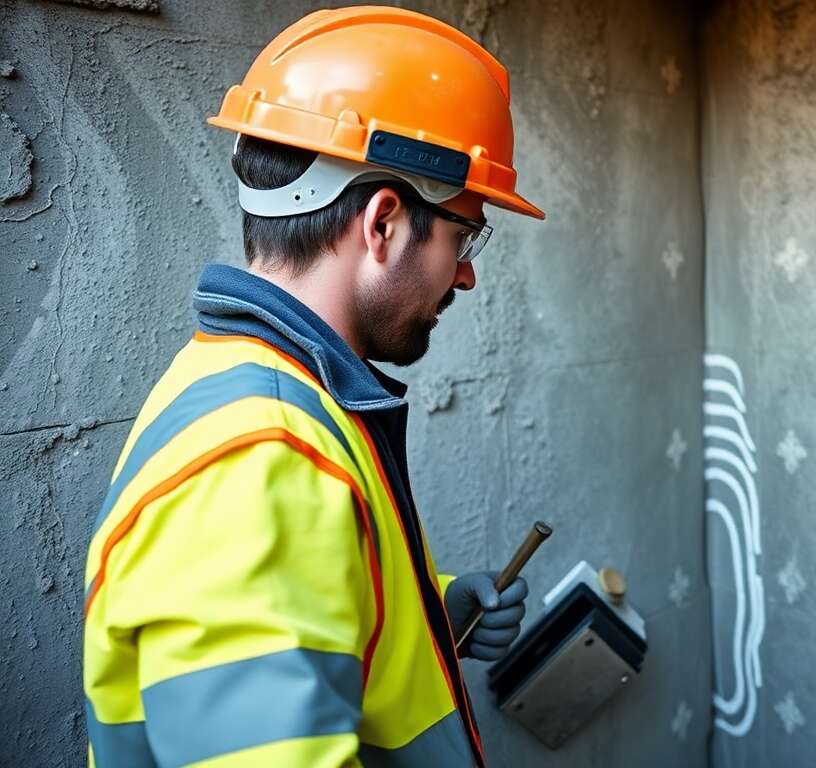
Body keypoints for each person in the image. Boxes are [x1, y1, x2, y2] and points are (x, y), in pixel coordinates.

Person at [81, 7, 544, 766]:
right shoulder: (261, 458)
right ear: (383, 223)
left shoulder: (251, 387)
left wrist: (428, 609)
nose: (465, 274)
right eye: (462, 236)